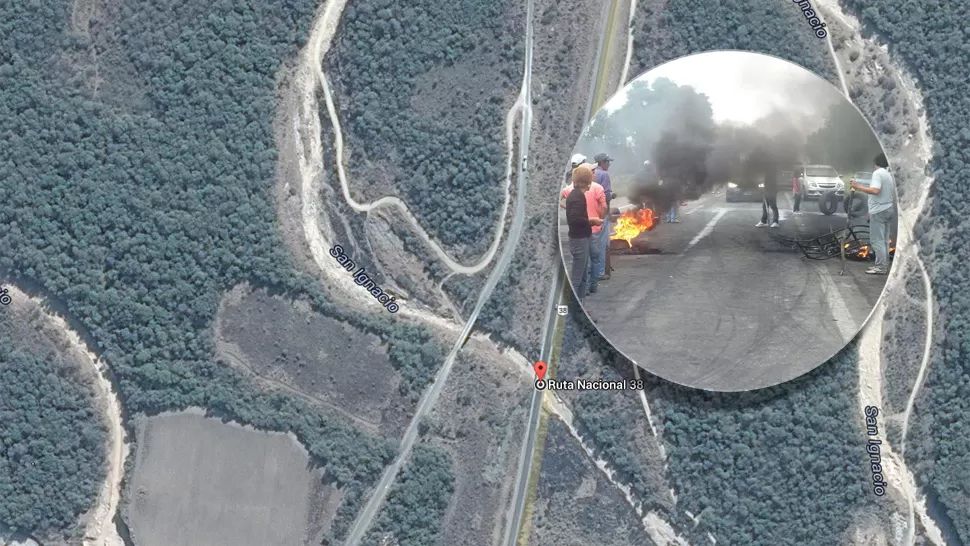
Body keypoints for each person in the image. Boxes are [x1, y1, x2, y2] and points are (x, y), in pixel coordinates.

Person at [851, 152, 895, 275]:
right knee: (885, 240)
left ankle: (881, 266)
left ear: (875, 163)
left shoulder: (877, 173)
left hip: (879, 211)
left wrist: (858, 186)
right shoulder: (888, 174)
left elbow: (875, 191)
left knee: (877, 240)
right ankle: (884, 265)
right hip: (888, 209)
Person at [565, 165, 602, 302]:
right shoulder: (577, 197)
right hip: (579, 240)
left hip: (582, 238)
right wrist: (591, 221)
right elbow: (574, 219)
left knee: (583, 277)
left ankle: (580, 309)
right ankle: (570, 311)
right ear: (587, 182)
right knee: (577, 278)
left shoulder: (577, 195)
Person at [592, 153, 615, 282]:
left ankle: (592, 270)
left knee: (592, 242)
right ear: (603, 162)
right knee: (602, 243)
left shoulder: (590, 173)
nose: (609, 164)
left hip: (590, 213)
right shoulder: (604, 175)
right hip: (601, 213)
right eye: (608, 162)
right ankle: (600, 272)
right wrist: (612, 196)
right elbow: (605, 196)